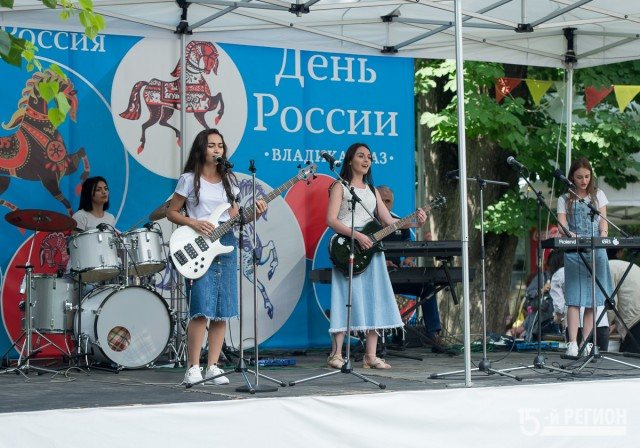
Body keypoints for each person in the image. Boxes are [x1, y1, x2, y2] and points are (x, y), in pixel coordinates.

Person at [166, 129, 267, 386]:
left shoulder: (229, 181)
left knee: (223, 309)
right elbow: (171, 212)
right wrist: (194, 223)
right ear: (201, 149)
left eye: (220, 145)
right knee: (201, 308)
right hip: (199, 243)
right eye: (211, 145)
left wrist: (255, 213)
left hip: (226, 243)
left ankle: (213, 366)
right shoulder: (189, 179)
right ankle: (193, 367)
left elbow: (237, 218)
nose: (217, 149)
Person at [326, 143, 426, 369]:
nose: (366, 160)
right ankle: (336, 354)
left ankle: (370, 355)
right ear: (349, 160)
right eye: (361, 156)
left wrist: (415, 223)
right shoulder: (339, 186)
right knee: (344, 297)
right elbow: (331, 220)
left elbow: (389, 222)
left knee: (375, 297)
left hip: (372, 249)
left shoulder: (372, 190)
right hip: (348, 246)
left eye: (369, 157)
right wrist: (358, 236)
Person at [376, 185, 445, 350]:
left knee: (427, 288)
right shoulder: (366, 222)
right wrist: (381, 262)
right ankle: (375, 340)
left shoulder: (400, 223)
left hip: (395, 275)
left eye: (388, 201)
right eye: (381, 201)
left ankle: (433, 335)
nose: (384, 204)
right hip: (375, 278)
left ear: (392, 203)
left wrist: (409, 258)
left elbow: (409, 248)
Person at [557, 157, 613, 357]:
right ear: (572, 177)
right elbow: (562, 227)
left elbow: (603, 223)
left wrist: (602, 237)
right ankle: (572, 343)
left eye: (587, 176)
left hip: (596, 251)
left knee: (592, 300)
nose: (584, 180)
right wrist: (571, 235)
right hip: (574, 251)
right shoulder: (564, 199)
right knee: (574, 298)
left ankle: (586, 343)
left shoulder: (599, 195)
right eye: (579, 177)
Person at [605, 249, 640, 353]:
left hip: (634, 321)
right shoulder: (625, 266)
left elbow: (611, 304)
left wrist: (604, 325)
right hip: (635, 316)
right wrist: (615, 325)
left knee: (629, 357)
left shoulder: (607, 268)